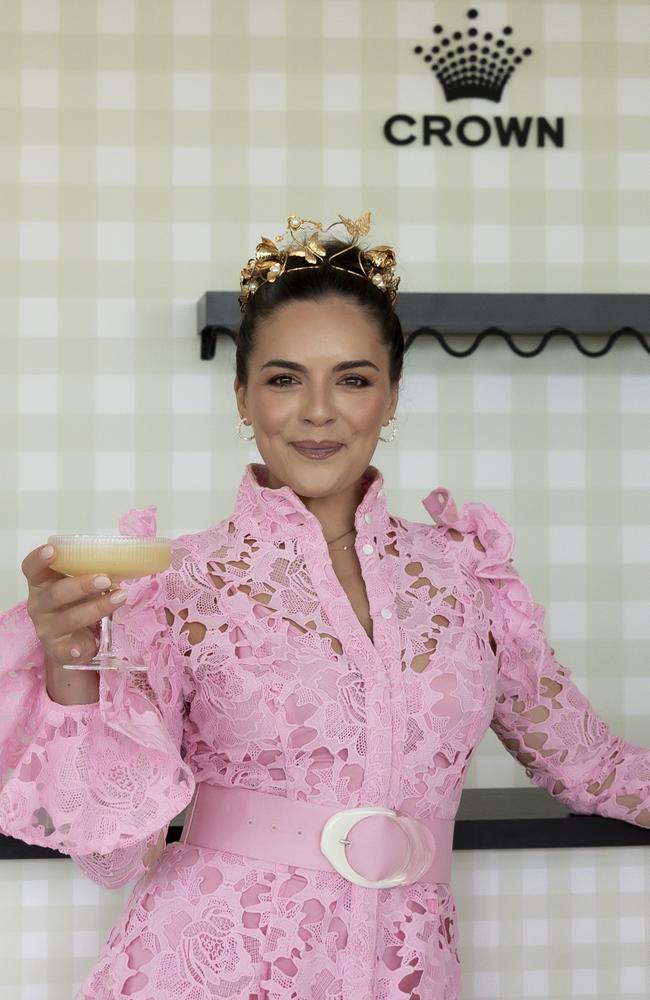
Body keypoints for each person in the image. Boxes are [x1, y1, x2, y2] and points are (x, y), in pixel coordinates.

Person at [1, 212, 649, 1000]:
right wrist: (71, 663)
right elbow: (111, 854)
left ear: (391, 395)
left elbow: (592, 767)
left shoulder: (464, 578)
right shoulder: (180, 584)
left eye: (352, 378)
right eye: (283, 378)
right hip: (203, 968)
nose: (317, 411)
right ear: (243, 396)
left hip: (406, 973)